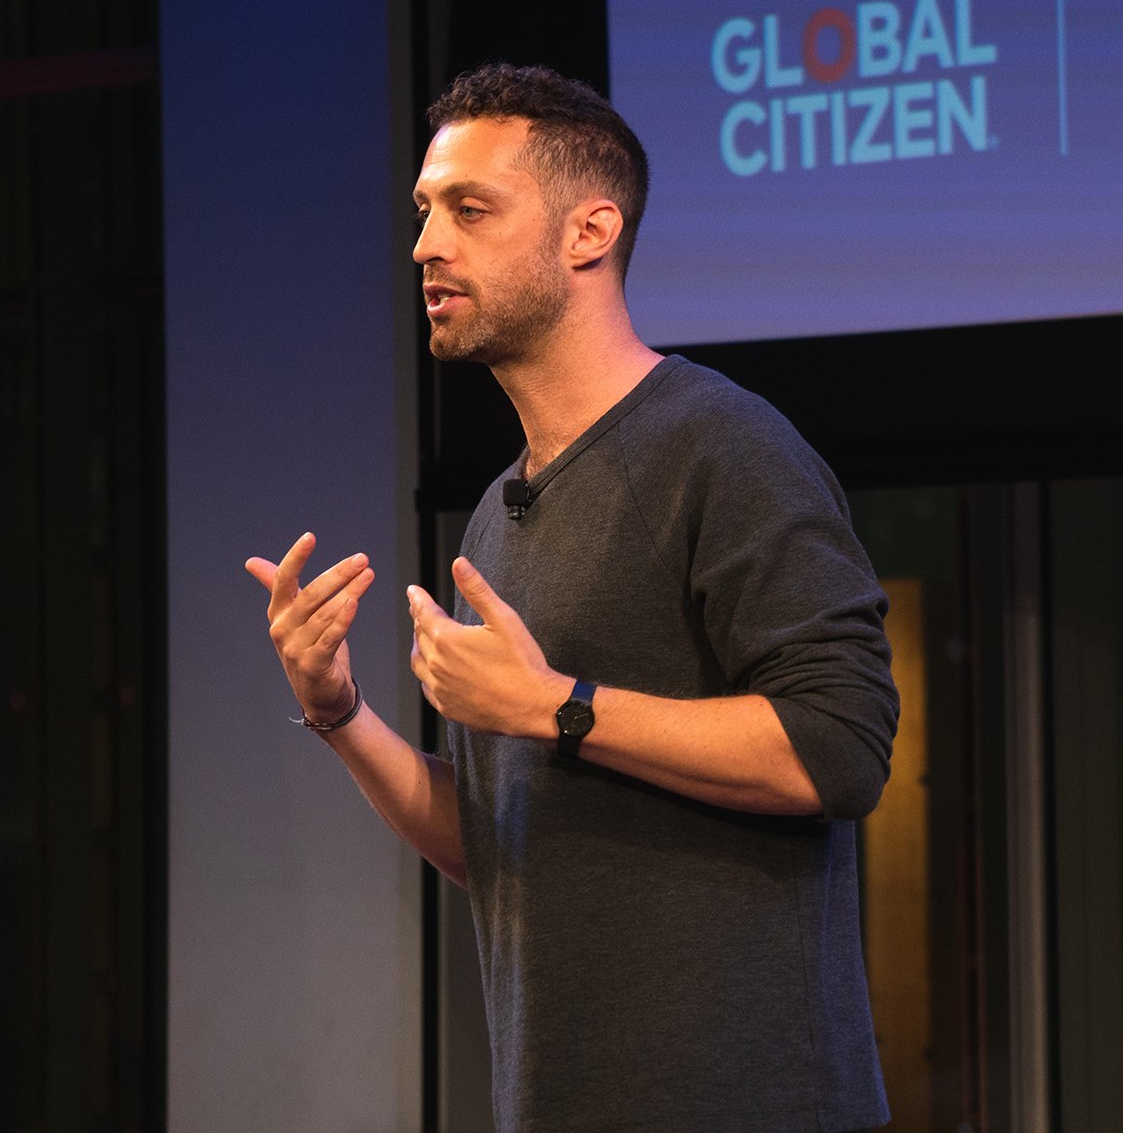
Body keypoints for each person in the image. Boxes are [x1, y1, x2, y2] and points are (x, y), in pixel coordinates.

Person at [244, 63, 898, 1133]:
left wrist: (557, 704)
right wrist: (338, 711)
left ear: (588, 232)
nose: (425, 244)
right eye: (422, 211)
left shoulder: (721, 446)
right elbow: (491, 847)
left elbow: (842, 746)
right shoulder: (501, 514)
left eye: (470, 209)